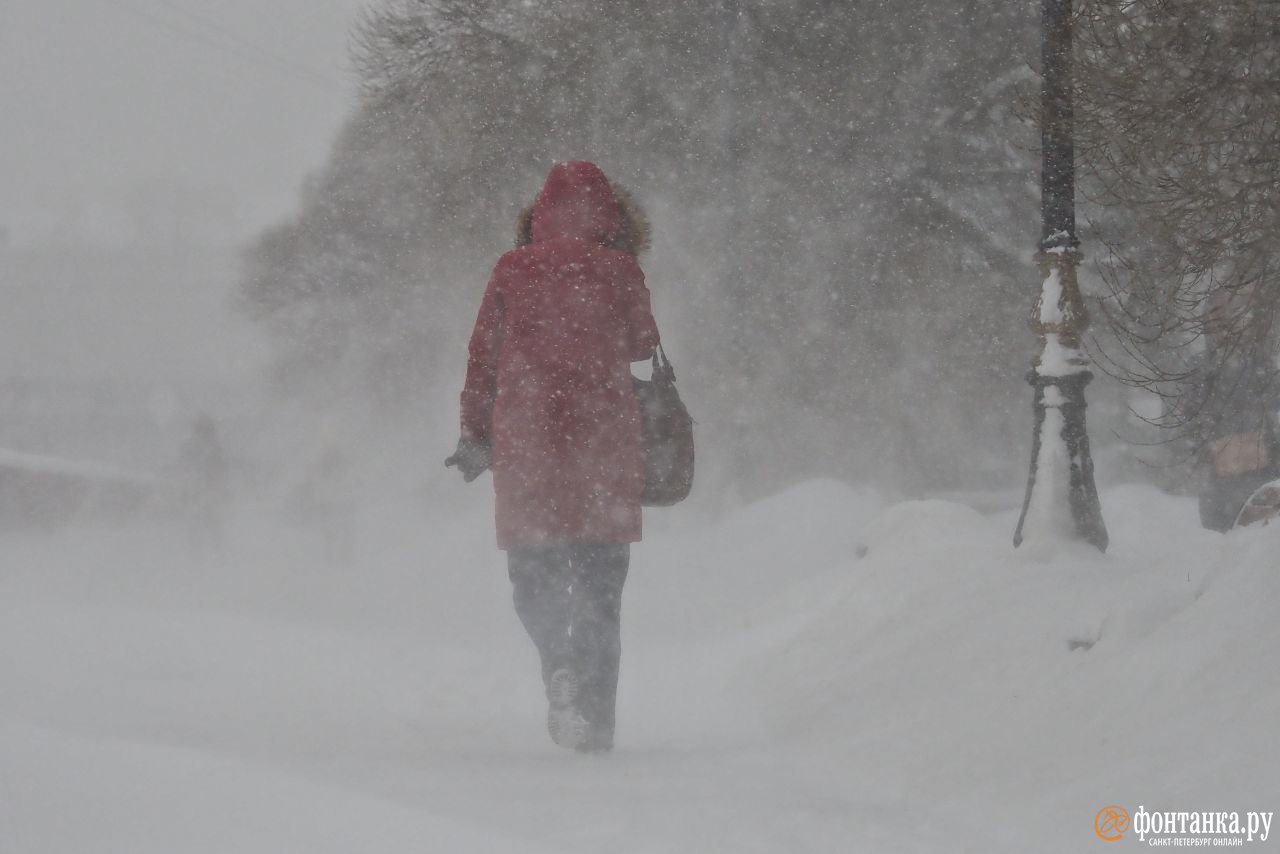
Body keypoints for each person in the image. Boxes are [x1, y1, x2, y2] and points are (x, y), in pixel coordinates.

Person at [447, 161, 660, 752]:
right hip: (603, 448)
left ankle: (557, 660)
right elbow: (643, 344)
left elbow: (482, 359)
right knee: (600, 591)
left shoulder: (512, 269)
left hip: (529, 442)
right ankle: (596, 726)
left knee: (533, 577)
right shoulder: (621, 268)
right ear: (613, 216)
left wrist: (474, 433)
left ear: (538, 213)